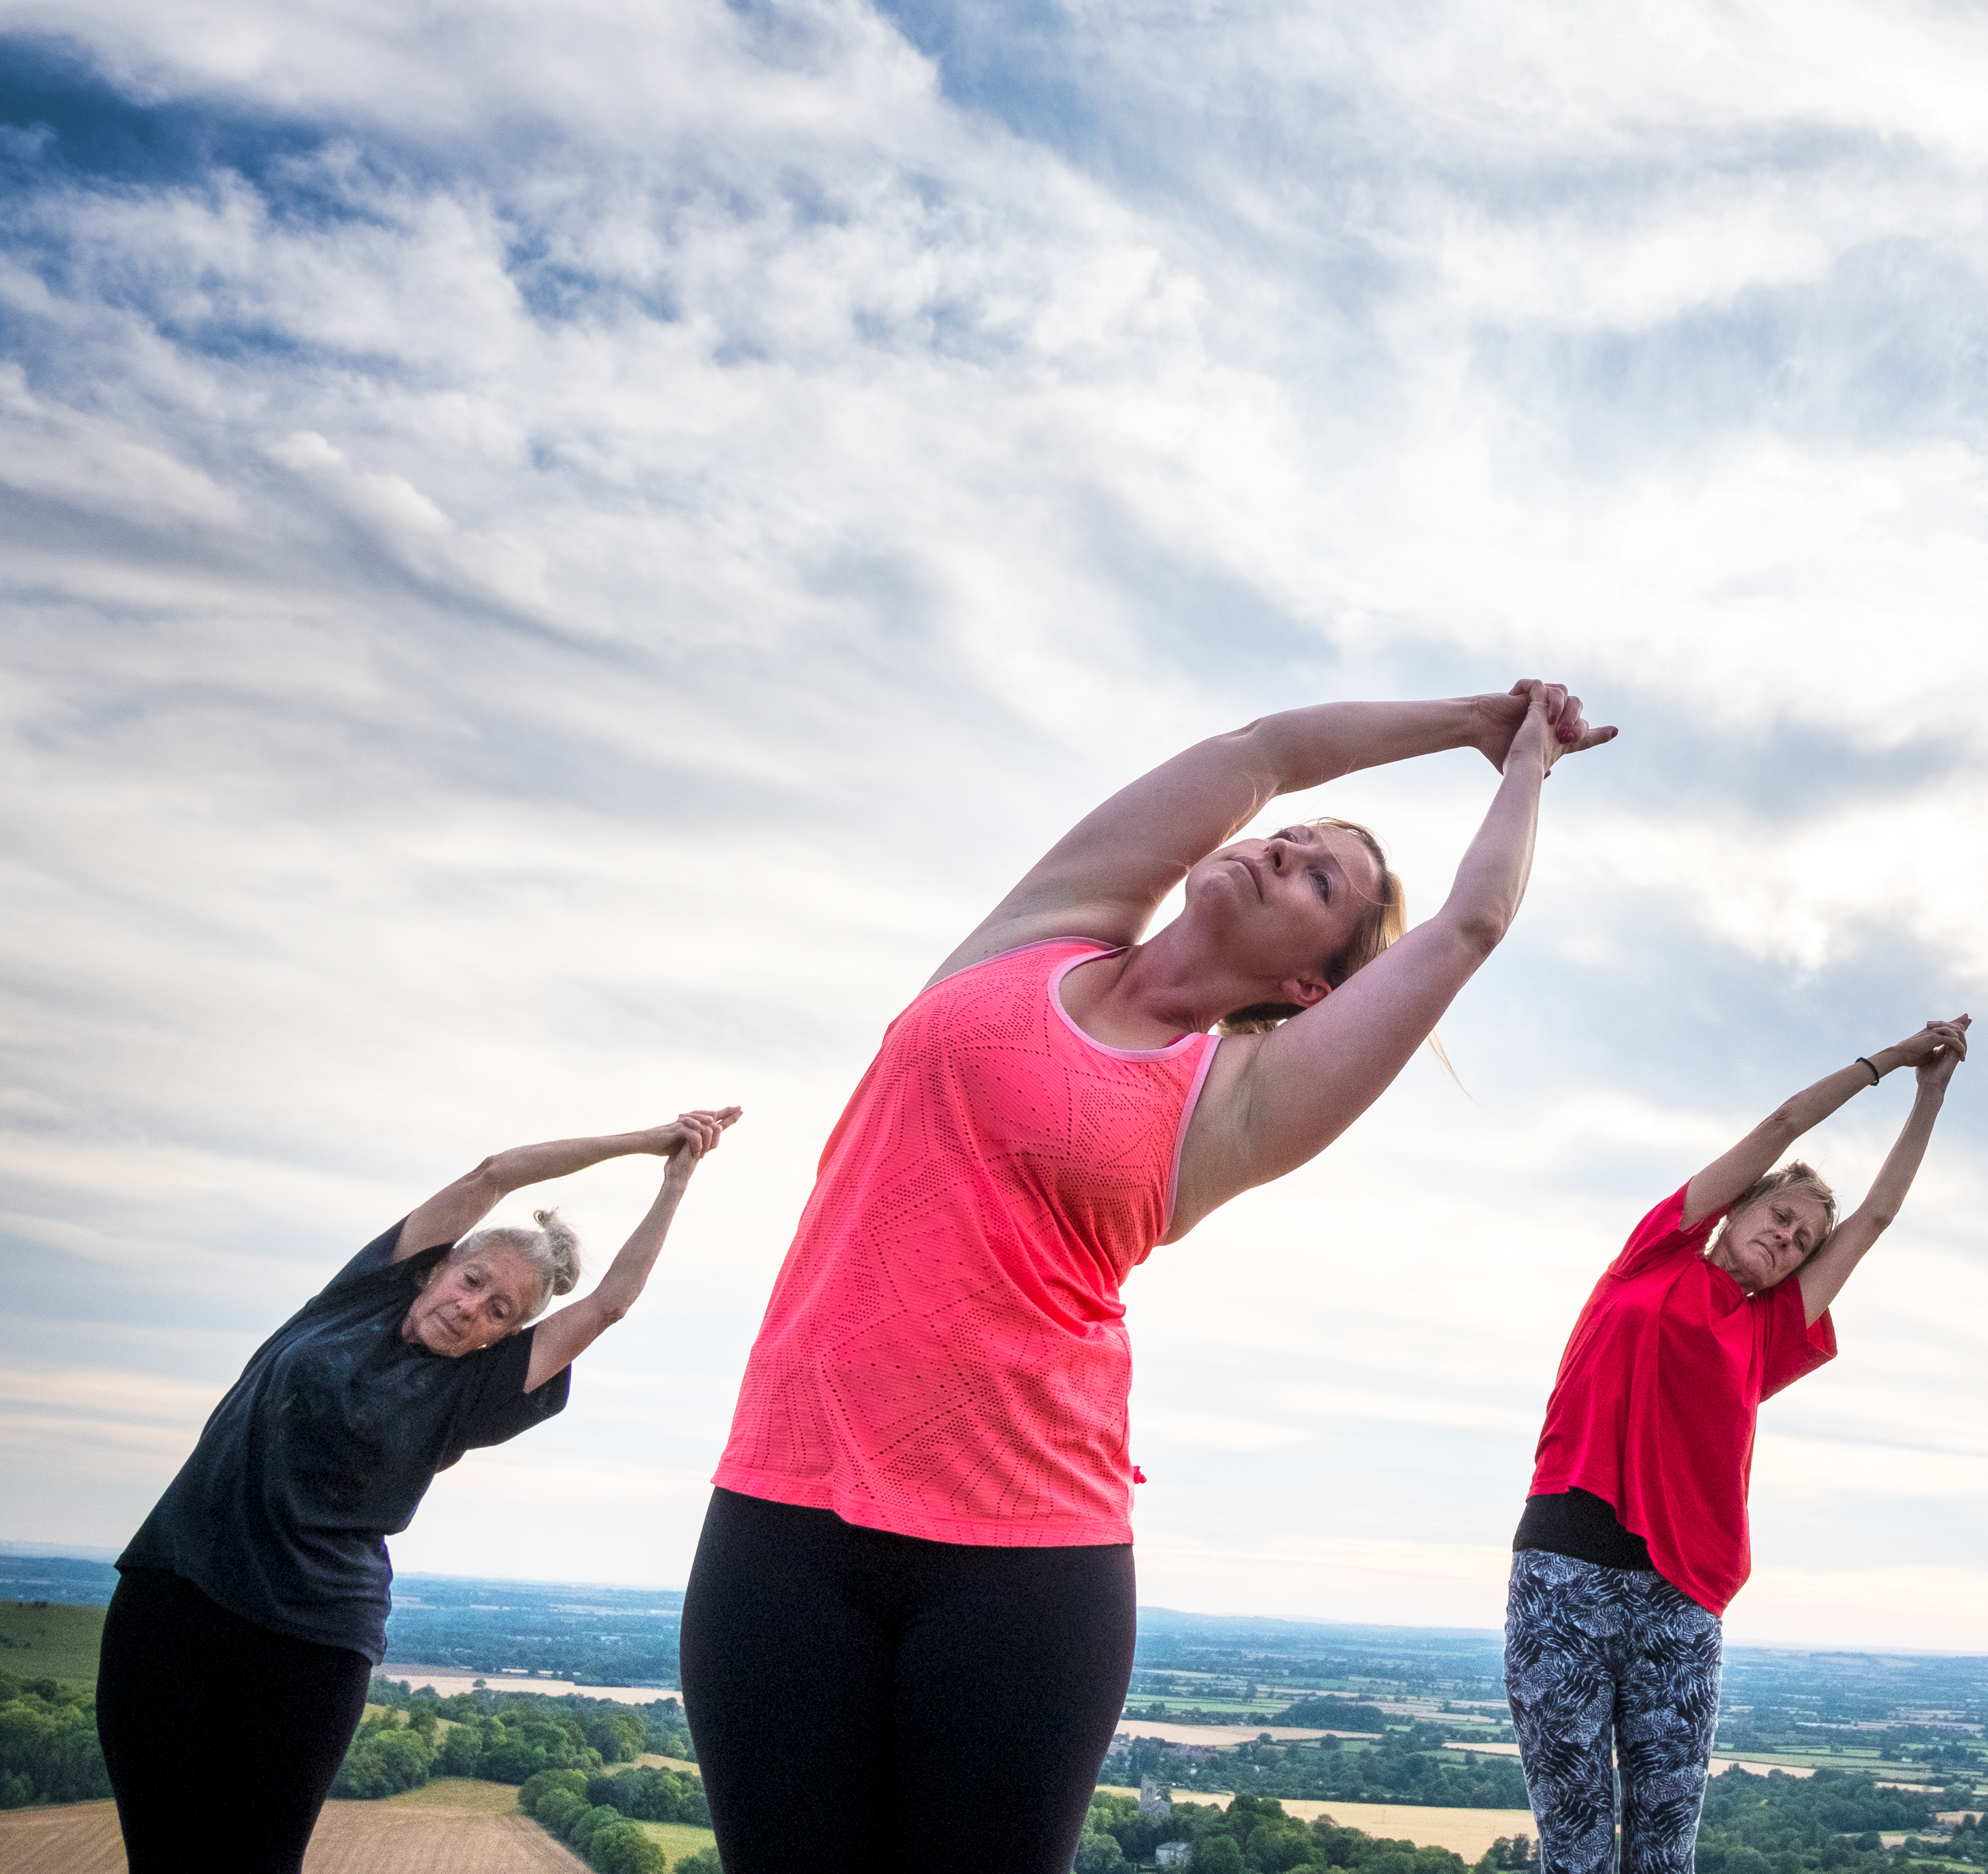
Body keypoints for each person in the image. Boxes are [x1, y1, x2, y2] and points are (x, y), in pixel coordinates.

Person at [684, 682, 1614, 1872]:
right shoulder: (1038, 931)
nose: (1283, 849)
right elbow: (1263, 752)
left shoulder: (1234, 1102)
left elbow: (1466, 927)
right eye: (1290, 840)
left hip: (1019, 1563)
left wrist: (1528, 760)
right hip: (781, 1509)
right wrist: (1470, 715)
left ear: (1308, 990)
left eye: (1318, 881)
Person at [97, 1107, 739, 1874]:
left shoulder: (477, 1390)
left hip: (307, 1641)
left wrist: (674, 1179)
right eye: (473, 1279)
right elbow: (493, 1173)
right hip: (171, 1599)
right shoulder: (362, 1291)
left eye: (499, 1309)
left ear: (501, 1336)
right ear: (438, 1267)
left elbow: (609, 1302)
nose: (471, 1304)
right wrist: (644, 1137)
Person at [1505, 1015, 1970, 1874]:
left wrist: (1931, 1096)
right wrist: (1892, 1059)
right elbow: (1783, 1123)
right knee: (1573, 1848)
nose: (1787, 1238)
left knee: (1664, 1855)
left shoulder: (1768, 1329)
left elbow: (1876, 1215)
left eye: (1801, 1242)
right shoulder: (1655, 1255)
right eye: (1781, 1216)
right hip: (1564, 1574)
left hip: (1681, 1601)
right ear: (1742, 1204)